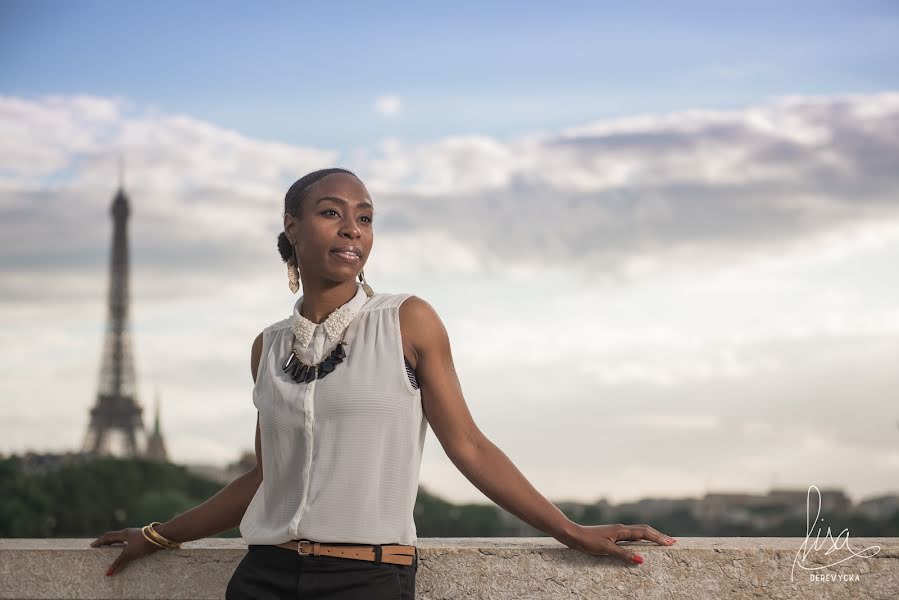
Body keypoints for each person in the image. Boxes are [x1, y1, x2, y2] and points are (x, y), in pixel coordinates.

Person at [90, 167, 676, 598]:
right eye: (331, 212)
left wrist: (570, 530)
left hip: (368, 578)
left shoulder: (407, 321)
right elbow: (267, 478)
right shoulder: (267, 348)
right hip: (263, 578)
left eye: (364, 217)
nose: (352, 229)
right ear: (292, 227)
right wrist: (159, 536)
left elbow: (467, 445)